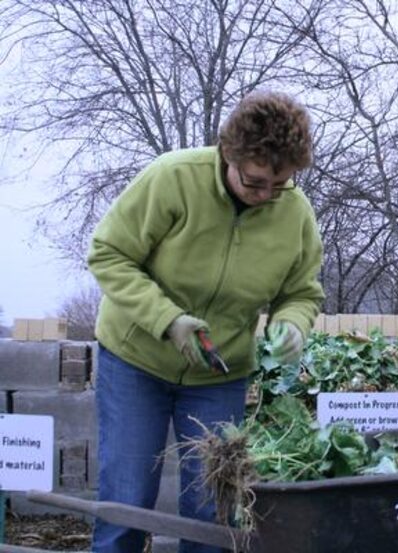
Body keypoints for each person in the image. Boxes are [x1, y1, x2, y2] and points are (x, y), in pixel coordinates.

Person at [87, 90, 325, 553]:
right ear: (227, 154)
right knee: (128, 496)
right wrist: (168, 320)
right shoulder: (173, 178)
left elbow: (301, 292)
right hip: (136, 360)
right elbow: (108, 253)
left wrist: (293, 325)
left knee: (211, 510)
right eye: (254, 182)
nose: (265, 196)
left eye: (279, 185)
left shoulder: (294, 212)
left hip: (220, 375)